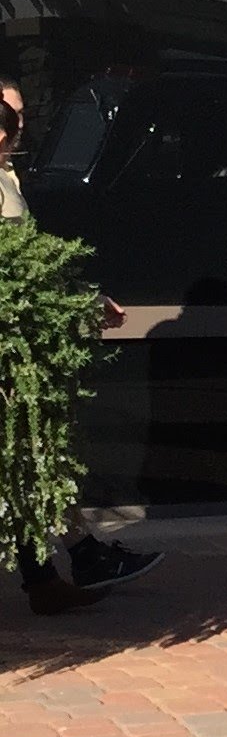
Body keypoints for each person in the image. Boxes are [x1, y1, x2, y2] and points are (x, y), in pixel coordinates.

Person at [0, 75, 159, 612]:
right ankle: (72, 561)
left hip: (20, 345)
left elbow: (29, 265)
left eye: (19, 115)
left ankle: (51, 575)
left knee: (26, 457)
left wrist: (81, 298)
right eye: (7, 113)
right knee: (23, 458)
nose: (16, 126)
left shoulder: (8, 175)